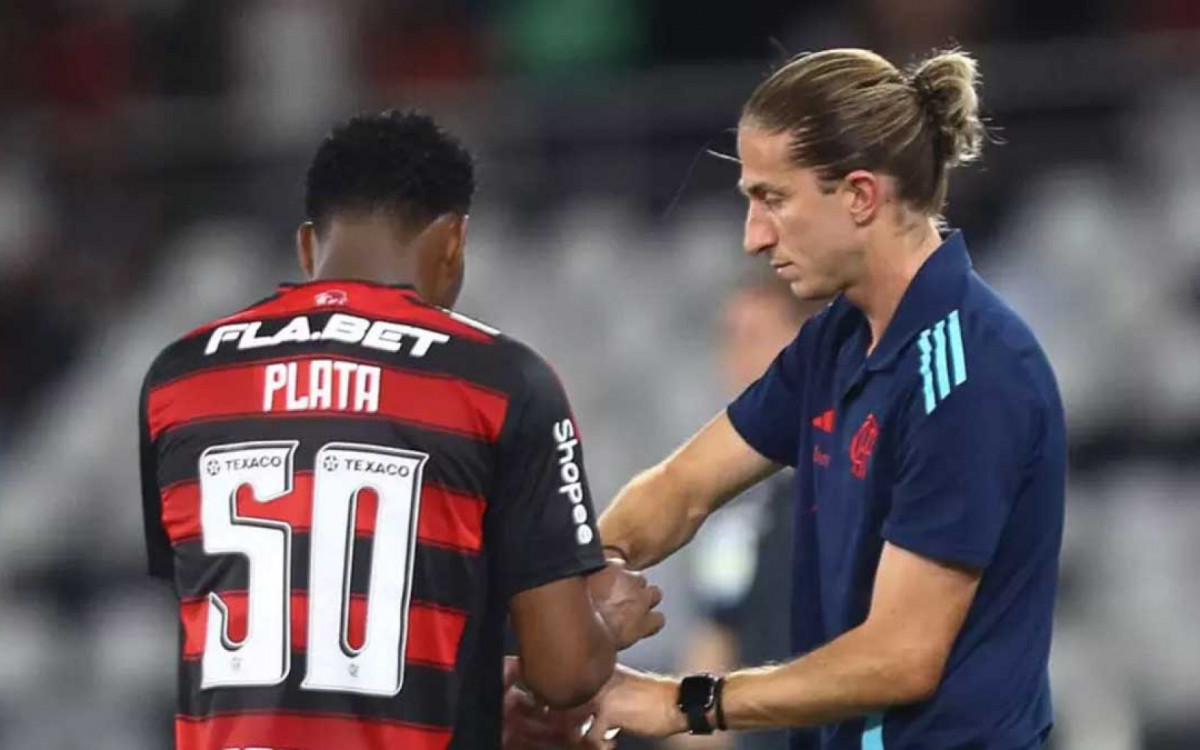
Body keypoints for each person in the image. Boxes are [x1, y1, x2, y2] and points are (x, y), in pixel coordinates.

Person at [513, 47, 1066, 750]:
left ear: (862, 196)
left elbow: (901, 657)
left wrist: (684, 702)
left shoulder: (969, 374)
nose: (753, 237)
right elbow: (682, 488)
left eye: (772, 198)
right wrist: (587, 588)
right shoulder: (837, 341)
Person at [138, 110, 662, 750]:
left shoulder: (180, 377)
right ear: (453, 241)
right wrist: (603, 625)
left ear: (308, 246)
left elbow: (226, 607)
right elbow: (565, 673)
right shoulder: (500, 380)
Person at [672, 276, 822, 750]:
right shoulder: (735, 515)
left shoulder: (871, 481)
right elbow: (714, 645)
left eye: (756, 338)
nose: (740, 360)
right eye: (730, 340)